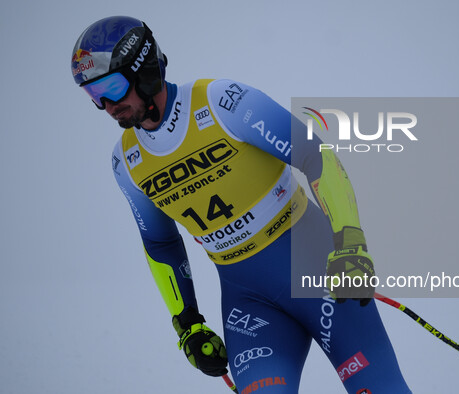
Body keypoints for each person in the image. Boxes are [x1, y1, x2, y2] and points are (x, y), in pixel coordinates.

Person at [71, 16, 411, 394]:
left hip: (318, 272)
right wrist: (188, 325)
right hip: (248, 301)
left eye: (112, 88)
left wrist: (350, 242)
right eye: (94, 95)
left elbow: (316, 157)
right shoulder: (127, 162)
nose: (107, 106)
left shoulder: (222, 102)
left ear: (145, 70)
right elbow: (161, 244)